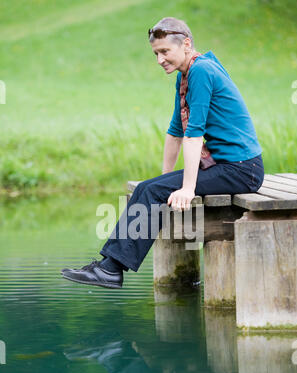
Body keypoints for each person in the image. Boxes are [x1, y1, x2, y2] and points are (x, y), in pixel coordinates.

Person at [61, 16, 264, 289]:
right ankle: (109, 266)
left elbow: (194, 134)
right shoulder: (186, 74)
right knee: (150, 187)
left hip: (242, 169)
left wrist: (187, 188)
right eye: (156, 53)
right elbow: (175, 132)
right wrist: (165, 180)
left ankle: (111, 269)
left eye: (165, 51)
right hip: (226, 166)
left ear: (186, 44)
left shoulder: (202, 72)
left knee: (152, 191)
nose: (159, 60)